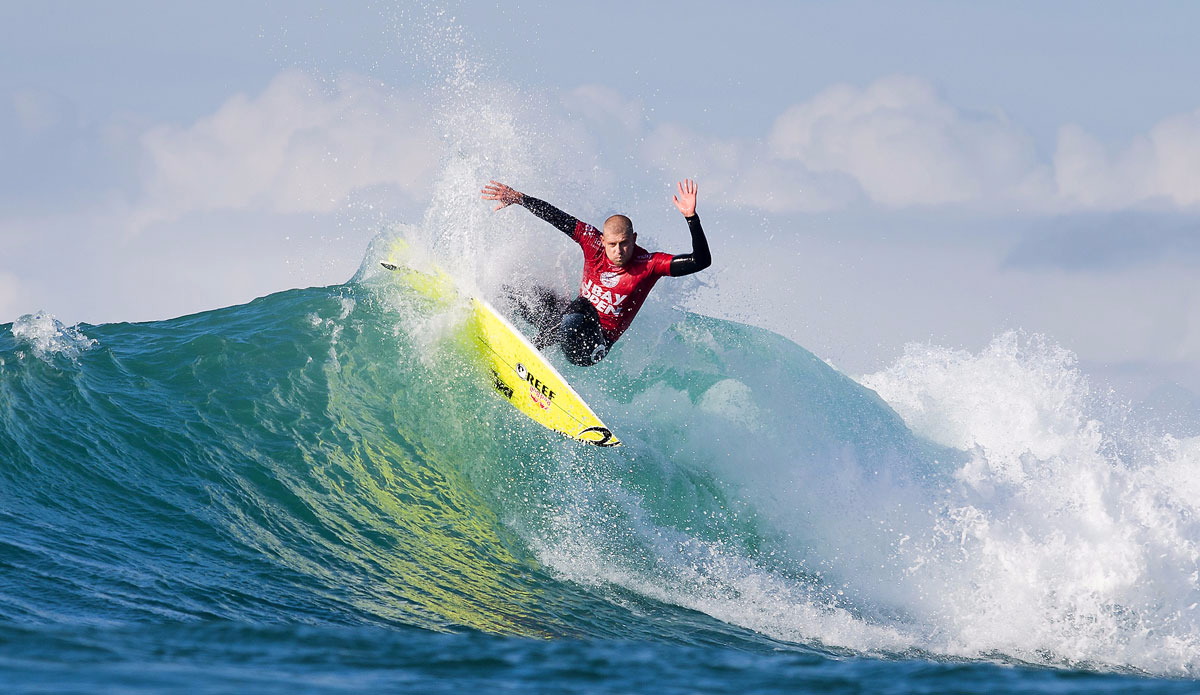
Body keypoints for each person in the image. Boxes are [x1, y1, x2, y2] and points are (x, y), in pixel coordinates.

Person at [481, 179, 711, 366]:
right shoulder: (591, 242)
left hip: (594, 347)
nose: (618, 251)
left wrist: (691, 217)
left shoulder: (649, 264)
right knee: (521, 292)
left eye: (624, 244)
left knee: (581, 307)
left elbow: (700, 261)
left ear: (634, 239)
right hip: (568, 324)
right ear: (602, 240)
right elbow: (557, 217)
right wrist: (521, 199)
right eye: (612, 244)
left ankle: (524, 359)